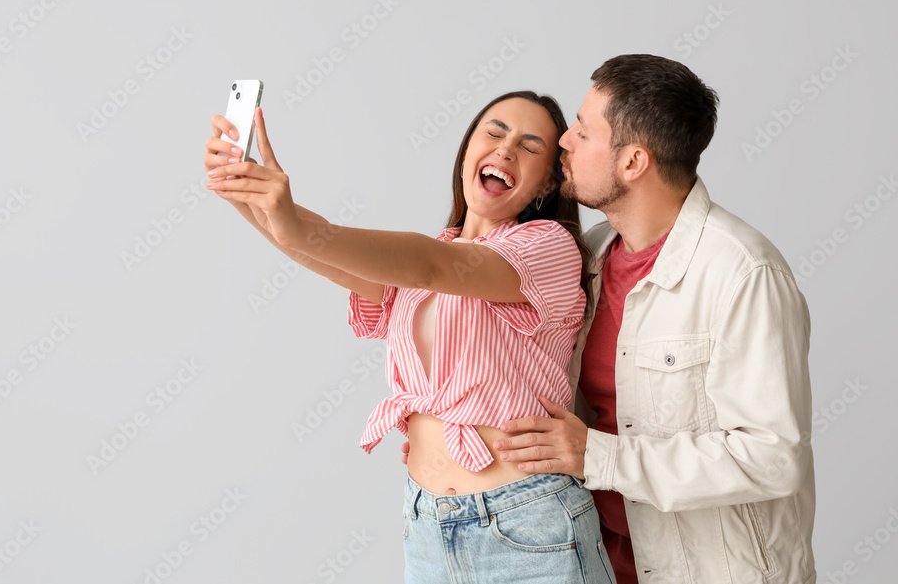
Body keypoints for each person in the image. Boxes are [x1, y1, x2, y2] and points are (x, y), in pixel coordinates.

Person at [204, 91, 617, 583]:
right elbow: (320, 245)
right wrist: (246, 193)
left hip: (528, 526)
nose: (506, 149)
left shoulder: (547, 248)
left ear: (548, 182)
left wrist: (289, 221)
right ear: (467, 151)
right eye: (495, 131)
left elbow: (429, 267)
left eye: (530, 146)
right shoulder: (427, 259)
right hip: (428, 527)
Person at [486, 55, 816, 583]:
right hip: (595, 561)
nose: (564, 141)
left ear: (633, 162)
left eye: (584, 132)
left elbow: (771, 457)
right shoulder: (587, 258)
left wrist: (601, 456)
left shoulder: (743, 272)